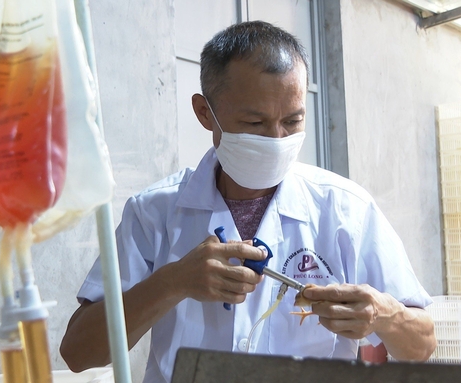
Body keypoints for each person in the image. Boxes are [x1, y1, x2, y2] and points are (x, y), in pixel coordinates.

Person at [60, 21, 436, 383]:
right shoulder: (154, 213)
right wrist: (172, 282)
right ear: (206, 113)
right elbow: (78, 353)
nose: (276, 139)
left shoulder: (344, 211)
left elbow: (421, 347)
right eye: (255, 123)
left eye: (292, 121)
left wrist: (385, 316)